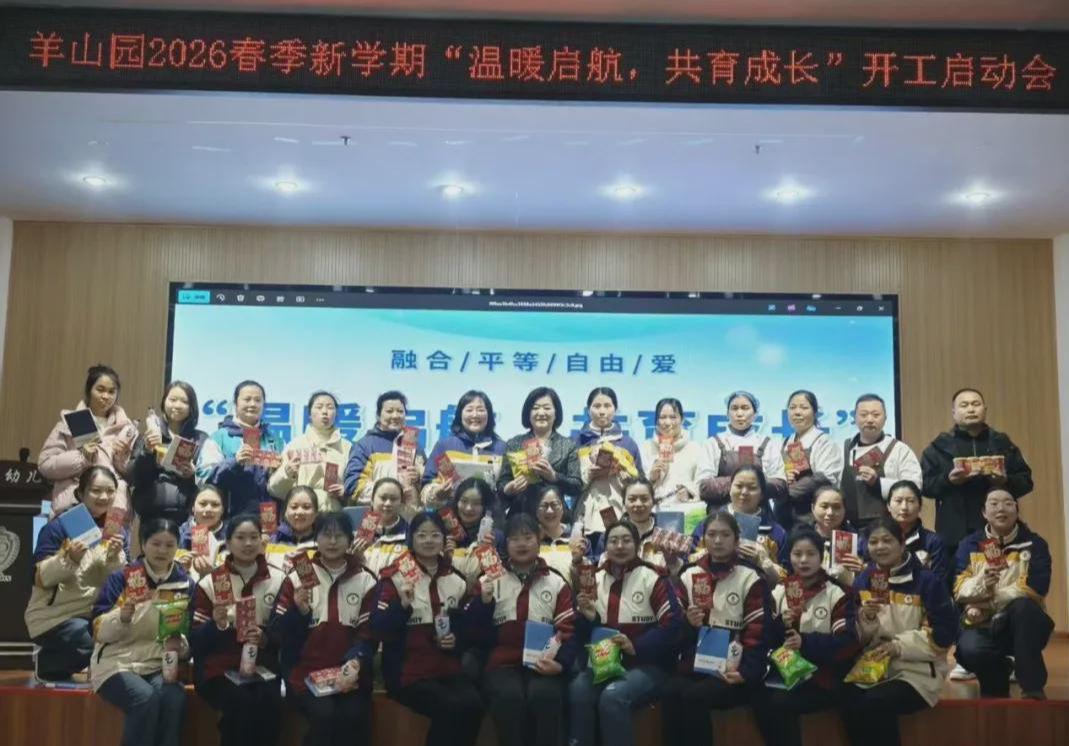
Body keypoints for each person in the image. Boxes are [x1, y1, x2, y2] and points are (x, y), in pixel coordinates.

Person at [840, 516, 957, 746]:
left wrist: (897, 647)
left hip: (917, 671)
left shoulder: (927, 581)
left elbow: (944, 633)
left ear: (902, 543)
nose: (880, 547)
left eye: (887, 540)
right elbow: (853, 633)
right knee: (847, 698)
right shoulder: (863, 580)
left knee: (876, 702)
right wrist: (866, 618)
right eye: (874, 542)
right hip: (873, 667)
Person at [370, 512, 484, 746]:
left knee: (474, 705)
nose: (429, 540)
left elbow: (467, 629)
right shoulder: (394, 577)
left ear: (444, 539)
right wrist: (402, 605)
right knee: (450, 707)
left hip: (447, 668)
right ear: (411, 539)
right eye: (421, 535)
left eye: (435, 535)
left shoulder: (455, 578)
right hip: (407, 671)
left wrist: (455, 639)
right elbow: (379, 628)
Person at [662, 510, 772, 746]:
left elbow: (759, 630)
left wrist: (746, 672)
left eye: (725, 535)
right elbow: (674, 631)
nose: (718, 541)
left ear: (736, 539)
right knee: (669, 692)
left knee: (694, 697)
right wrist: (689, 624)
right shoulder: (690, 574)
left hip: (734, 670)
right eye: (711, 535)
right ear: (703, 539)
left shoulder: (751, 577)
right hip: (696, 665)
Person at [465, 513, 576, 746]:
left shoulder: (556, 582)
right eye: (514, 539)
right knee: (509, 699)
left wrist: (560, 664)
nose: (521, 544)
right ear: (505, 544)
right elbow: (473, 633)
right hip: (502, 664)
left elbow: (568, 630)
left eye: (527, 537)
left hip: (544, 663)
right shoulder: (489, 579)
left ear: (539, 540)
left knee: (545, 696)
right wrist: (483, 603)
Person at [569, 520, 682, 746]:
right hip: (603, 663)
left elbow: (672, 625)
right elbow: (583, 632)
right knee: (578, 690)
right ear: (605, 547)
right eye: (613, 541)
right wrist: (589, 617)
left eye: (626, 540)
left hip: (647, 665)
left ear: (637, 545)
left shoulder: (653, 577)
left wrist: (635, 645)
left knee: (613, 696)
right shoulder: (594, 578)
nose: (620, 546)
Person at [272, 511, 378, 746]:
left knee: (353, 716)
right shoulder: (298, 576)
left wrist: (355, 662)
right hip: (304, 672)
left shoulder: (365, 579)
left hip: (350, 671)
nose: (332, 542)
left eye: (339, 536)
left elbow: (369, 634)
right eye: (326, 535)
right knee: (324, 715)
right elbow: (278, 632)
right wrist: (299, 612)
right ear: (316, 539)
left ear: (350, 540)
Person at [91, 518, 194, 746]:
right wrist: (122, 617)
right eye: (156, 543)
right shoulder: (122, 579)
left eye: (169, 545)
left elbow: (190, 634)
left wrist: (181, 645)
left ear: (177, 547)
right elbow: (97, 630)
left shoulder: (185, 584)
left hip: (157, 664)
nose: (162, 551)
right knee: (144, 698)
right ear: (143, 544)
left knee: (174, 698)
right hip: (115, 663)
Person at [752, 527, 857, 746]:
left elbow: (847, 643)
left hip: (824, 676)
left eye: (810, 554)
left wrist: (805, 642)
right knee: (756, 697)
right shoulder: (780, 591)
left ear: (821, 556)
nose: (803, 560)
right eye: (797, 554)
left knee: (780, 703)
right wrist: (782, 625)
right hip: (785, 671)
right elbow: (765, 636)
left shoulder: (837, 593)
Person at [191, 513, 287, 746]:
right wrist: (216, 624)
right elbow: (195, 639)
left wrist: (266, 638)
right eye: (240, 537)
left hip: (263, 665)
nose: (248, 543)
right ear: (228, 542)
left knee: (270, 702)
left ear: (262, 541)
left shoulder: (278, 578)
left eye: (254, 537)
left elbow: (286, 631)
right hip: (218, 668)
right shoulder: (210, 582)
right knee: (241, 704)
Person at [26, 466, 128, 682]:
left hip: (94, 613)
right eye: (96, 490)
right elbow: (38, 577)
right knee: (87, 639)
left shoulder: (117, 531)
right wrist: (68, 559)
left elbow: (118, 582)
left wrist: (114, 557)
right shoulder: (58, 527)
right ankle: (47, 664)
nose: (104, 497)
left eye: (110, 491)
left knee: (122, 634)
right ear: (81, 493)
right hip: (56, 616)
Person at [953, 489, 1053, 700]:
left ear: (1016, 510)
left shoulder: (1034, 544)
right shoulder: (968, 544)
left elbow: (1035, 588)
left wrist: (987, 601)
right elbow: (958, 589)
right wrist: (982, 583)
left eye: (1008, 503)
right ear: (983, 512)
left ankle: (1032, 686)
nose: (1001, 508)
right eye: (994, 503)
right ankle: (998, 677)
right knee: (971, 650)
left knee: (1023, 607)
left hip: (1021, 623)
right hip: (981, 622)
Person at [921, 388, 1033, 563]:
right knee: (958, 579)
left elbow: (1026, 481)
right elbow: (924, 485)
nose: (971, 409)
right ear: (954, 412)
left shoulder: (1002, 443)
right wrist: (948, 480)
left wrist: (1005, 481)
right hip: (953, 532)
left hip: (998, 530)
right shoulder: (939, 447)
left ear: (985, 409)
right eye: (964, 405)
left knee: (999, 578)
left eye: (976, 404)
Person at [39, 364, 136, 513]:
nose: (106, 396)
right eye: (100, 389)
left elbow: (134, 476)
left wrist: (121, 458)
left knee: (112, 532)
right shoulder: (72, 422)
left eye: (111, 391)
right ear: (89, 390)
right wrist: (81, 458)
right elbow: (45, 465)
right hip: (74, 505)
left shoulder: (127, 429)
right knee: (76, 531)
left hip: (113, 508)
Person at [130, 381, 210, 527]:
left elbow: (209, 482)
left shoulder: (201, 439)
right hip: (151, 515)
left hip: (188, 518)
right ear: (164, 402)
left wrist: (193, 474)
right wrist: (147, 451)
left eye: (184, 401)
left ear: (192, 407)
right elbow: (136, 478)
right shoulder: (148, 436)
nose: (177, 405)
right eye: (172, 400)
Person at [692, 465, 786, 587]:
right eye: (739, 486)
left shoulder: (776, 532)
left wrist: (764, 562)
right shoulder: (707, 526)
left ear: (762, 494)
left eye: (752, 488)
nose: (744, 492)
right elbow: (689, 564)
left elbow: (787, 580)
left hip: (759, 593)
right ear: (730, 488)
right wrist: (714, 552)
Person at [840, 394, 922, 532]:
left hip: (888, 528)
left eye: (876, 415)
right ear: (855, 418)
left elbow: (914, 487)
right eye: (864, 415)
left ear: (885, 418)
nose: (870, 420)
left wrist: (878, 483)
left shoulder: (899, 449)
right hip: (849, 527)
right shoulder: (845, 448)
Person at [204, 380, 286, 518]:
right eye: (247, 399)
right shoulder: (219, 438)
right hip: (231, 518)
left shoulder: (277, 441)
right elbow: (203, 477)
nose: (252, 404)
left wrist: (279, 472)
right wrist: (234, 462)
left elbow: (285, 485)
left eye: (258, 400)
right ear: (235, 403)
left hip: (268, 517)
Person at [498, 387, 582, 518]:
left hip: (555, 516)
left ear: (556, 413)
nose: (541, 412)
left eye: (547, 408)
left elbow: (576, 486)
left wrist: (554, 476)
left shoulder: (568, 445)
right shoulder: (514, 444)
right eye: (535, 408)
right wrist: (509, 488)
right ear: (528, 413)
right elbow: (502, 483)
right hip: (521, 516)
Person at [572, 387, 643, 540]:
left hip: (619, 511)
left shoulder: (628, 444)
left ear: (615, 409)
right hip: (584, 512)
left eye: (607, 406)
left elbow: (640, 482)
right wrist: (588, 475)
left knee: (614, 546)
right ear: (588, 410)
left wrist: (626, 478)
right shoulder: (576, 442)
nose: (602, 411)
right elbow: (569, 484)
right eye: (597, 406)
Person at [697, 391, 788, 509]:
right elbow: (703, 487)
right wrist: (753, 483)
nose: (739, 413)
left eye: (745, 408)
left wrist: (732, 484)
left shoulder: (768, 444)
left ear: (755, 414)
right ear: (727, 414)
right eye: (734, 408)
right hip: (721, 516)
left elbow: (780, 485)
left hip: (760, 514)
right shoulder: (712, 443)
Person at [421, 390, 507, 509]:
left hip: (490, 517)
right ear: (460, 415)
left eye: (480, 410)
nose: (475, 415)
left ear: (489, 415)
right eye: (469, 410)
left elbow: (506, 487)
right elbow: (427, 483)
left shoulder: (501, 448)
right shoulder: (445, 446)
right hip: (450, 517)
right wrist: (437, 492)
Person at [268, 391, 352, 512]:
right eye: (319, 407)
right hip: (302, 514)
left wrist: (346, 492)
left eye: (330, 407)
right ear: (309, 414)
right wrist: (286, 474)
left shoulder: (347, 447)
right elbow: (274, 489)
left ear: (336, 413)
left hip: (335, 515)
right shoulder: (295, 445)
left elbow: (356, 485)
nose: (325, 412)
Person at [344, 390, 425, 507]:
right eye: (389, 411)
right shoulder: (365, 445)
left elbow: (428, 487)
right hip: (377, 513)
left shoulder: (415, 446)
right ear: (378, 415)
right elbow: (353, 485)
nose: (395, 416)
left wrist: (418, 477)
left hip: (409, 514)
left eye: (400, 411)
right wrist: (392, 494)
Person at [779, 390, 843, 529]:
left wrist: (787, 491)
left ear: (815, 412)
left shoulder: (823, 442)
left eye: (804, 407)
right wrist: (784, 477)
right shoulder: (785, 442)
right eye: (792, 407)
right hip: (784, 514)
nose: (797, 412)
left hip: (811, 516)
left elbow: (824, 477)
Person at [594, 477, 686, 573]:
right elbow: (600, 572)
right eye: (632, 499)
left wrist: (672, 562)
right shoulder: (611, 535)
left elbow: (681, 575)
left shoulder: (668, 531)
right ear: (624, 502)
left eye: (644, 499)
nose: (638, 504)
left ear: (653, 501)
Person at [639, 397, 709, 507]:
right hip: (653, 510)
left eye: (673, 417)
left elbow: (702, 482)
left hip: (685, 510)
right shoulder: (646, 447)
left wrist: (689, 491)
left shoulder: (695, 448)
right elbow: (637, 486)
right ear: (656, 421)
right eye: (662, 417)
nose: (667, 422)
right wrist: (651, 478)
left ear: (682, 419)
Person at [886, 480, 947, 586]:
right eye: (898, 501)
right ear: (888, 506)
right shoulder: (876, 539)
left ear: (920, 506)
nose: (904, 507)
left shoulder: (933, 542)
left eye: (910, 501)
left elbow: (939, 583)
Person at [444, 477, 501, 583]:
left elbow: (496, 576)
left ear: (485, 506)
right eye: (464, 501)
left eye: (476, 503)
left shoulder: (493, 535)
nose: (469, 508)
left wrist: (488, 552)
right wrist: (444, 554)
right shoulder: (445, 524)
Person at [809, 485, 867, 587]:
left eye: (836, 507)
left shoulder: (859, 540)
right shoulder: (801, 537)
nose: (830, 513)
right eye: (824, 506)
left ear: (844, 510)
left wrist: (863, 570)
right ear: (813, 508)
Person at [359, 478, 411, 576]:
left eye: (393, 499)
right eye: (383, 498)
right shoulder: (358, 535)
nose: (388, 503)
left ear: (401, 503)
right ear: (372, 500)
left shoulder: (411, 535)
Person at [177, 485, 228, 582]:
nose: (208, 509)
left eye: (215, 505)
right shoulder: (177, 535)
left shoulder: (233, 536)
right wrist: (179, 569)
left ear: (222, 510)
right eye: (203, 504)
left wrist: (214, 574)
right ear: (193, 507)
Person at [533, 484, 579, 581]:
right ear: (536, 511)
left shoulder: (575, 536)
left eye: (554, 505)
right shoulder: (531, 540)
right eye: (544, 506)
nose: (549, 511)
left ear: (562, 508)